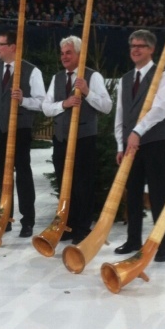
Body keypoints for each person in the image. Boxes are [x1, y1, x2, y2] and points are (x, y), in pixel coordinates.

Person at [42, 35, 113, 243]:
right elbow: (46, 108)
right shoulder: (57, 78)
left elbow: (107, 106)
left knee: (83, 185)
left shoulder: (93, 76)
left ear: (79, 55)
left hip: (84, 139)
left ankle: (83, 227)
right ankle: (68, 224)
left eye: (69, 53)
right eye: (62, 53)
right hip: (61, 139)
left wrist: (87, 92)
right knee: (65, 184)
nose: (64, 57)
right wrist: (64, 104)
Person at [0, 31, 45, 237]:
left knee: (23, 174)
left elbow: (42, 102)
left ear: (13, 47)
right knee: (1, 175)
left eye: (1, 44)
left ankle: (28, 220)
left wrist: (24, 99)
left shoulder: (32, 71)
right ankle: (4, 216)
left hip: (19, 130)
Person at [114, 29, 165, 262]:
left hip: (154, 142)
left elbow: (159, 109)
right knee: (134, 195)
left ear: (151, 49)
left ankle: (162, 243)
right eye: (132, 46)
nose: (135, 49)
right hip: (130, 145)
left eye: (141, 46)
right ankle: (133, 239)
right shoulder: (126, 79)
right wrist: (120, 144)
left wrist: (138, 131)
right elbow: (121, 114)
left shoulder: (162, 76)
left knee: (158, 196)